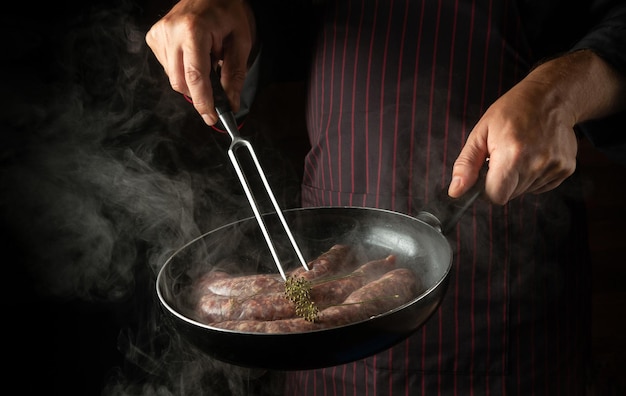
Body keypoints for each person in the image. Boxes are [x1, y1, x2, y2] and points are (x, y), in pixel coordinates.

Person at [145, 0, 626, 394]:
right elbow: (291, 20)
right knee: (315, 324)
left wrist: (560, 91)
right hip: (331, 268)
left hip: (504, 286)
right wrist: (236, 13)